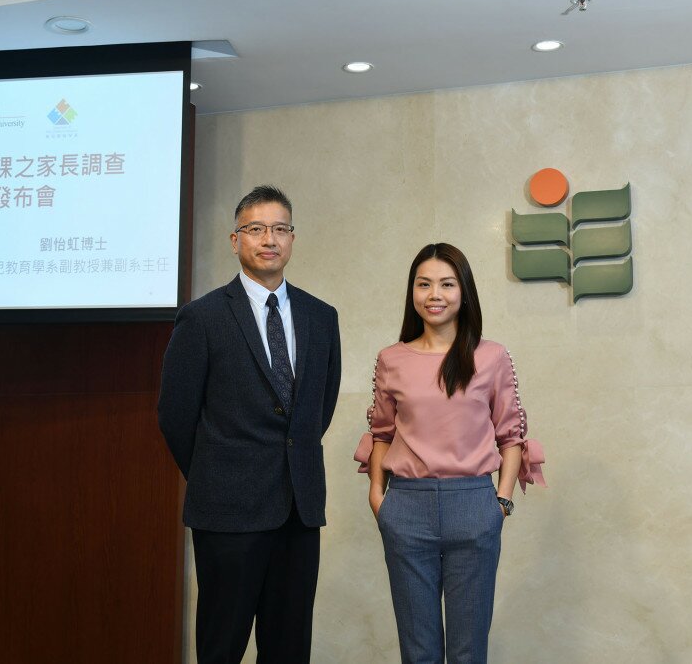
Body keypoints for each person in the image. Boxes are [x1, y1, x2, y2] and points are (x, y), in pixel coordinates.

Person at [158, 185, 342, 664]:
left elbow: (316, 412)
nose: (269, 239)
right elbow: (175, 416)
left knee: (288, 648)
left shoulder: (322, 317)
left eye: (280, 228)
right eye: (256, 228)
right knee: (222, 646)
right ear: (235, 239)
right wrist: (216, 473)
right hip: (227, 512)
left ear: (293, 239)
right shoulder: (201, 319)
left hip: (298, 510)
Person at [353, 242, 545, 664]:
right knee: (417, 651)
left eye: (446, 284)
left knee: (468, 652)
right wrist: (378, 496)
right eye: (424, 284)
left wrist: (502, 501)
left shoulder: (491, 356)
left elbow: (511, 435)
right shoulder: (392, 359)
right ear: (412, 292)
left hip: (474, 505)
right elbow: (381, 432)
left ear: (464, 292)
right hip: (406, 507)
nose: (434, 294)